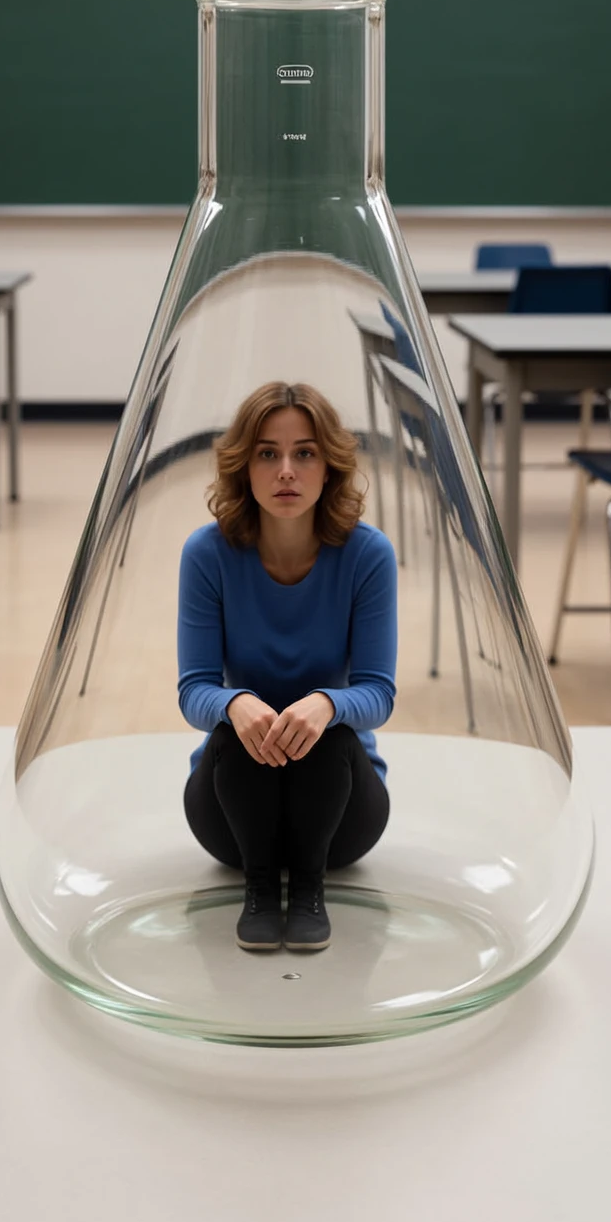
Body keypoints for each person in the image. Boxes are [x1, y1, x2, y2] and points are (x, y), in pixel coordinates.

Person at [178, 381, 397, 954]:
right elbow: (193, 689)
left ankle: (308, 891)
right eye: (267, 454)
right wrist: (234, 702)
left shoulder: (367, 555)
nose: (286, 472)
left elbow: (378, 692)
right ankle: (258, 891)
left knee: (324, 727)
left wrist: (326, 703)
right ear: (243, 468)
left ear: (330, 468)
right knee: (238, 725)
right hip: (229, 819)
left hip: (343, 820)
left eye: (305, 453)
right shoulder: (207, 555)